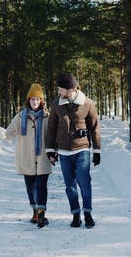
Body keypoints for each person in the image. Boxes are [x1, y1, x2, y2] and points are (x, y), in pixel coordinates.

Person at [0, 84, 52, 228]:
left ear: (41, 101)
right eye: (32, 99)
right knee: (30, 186)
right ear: (28, 101)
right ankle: (35, 211)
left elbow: (52, 136)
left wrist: (54, 152)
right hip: (26, 157)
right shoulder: (20, 117)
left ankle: (42, 214)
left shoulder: (48, 117)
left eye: (37, 99)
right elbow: (9, 133)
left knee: (41, 186)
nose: (34, 102)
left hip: (42, 158)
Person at [45, 73, 101, 228]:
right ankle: (76, 215)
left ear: (70, 90)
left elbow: (95, 128)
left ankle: (88, 214)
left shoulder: (88, 103)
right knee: (70, 185)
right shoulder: (56, 103)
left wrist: (97, 150)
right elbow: (51, 128)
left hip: (81, 148)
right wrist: (50, 150)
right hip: (63, 151)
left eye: (60, 89)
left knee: (84, 182)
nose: (58, 91)